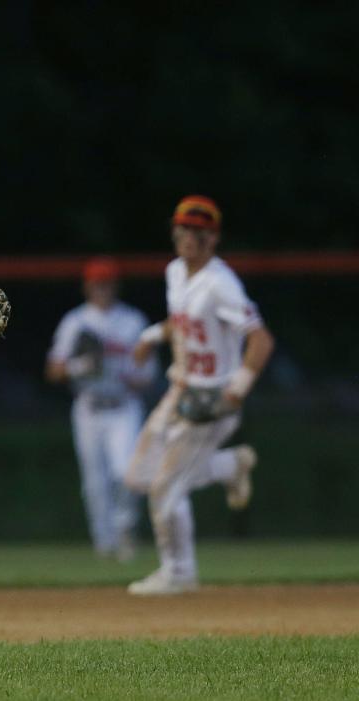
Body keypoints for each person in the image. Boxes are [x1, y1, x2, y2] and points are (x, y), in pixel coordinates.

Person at [125, 195, 274, 595]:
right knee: (138, 477)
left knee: (166, 490)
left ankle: (179, 573)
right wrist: (152, 335)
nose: (190, 236)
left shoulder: (221, 284)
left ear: (213, 237)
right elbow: (181, 323)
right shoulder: (176, 272)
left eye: (199, 230)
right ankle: (229, 466)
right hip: (179, 389)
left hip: (211, 401)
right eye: (185, 228)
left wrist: (238, 388)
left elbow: (260, 340)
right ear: (175, 232)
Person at [46, 258, 157, 560]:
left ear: (115, 286)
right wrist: (80, 367)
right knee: (95, 483)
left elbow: (148, 375)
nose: (102, 288)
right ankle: (104, 545)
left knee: (125, 473)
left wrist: (124, 373)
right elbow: (54, 371)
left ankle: (125, 530)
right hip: (88, 407)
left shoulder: (133, 321)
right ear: (87, 286)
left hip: (123, 406)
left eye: (106, 282)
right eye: (97, 283)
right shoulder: (76, 321)